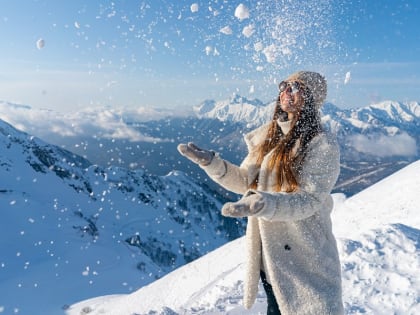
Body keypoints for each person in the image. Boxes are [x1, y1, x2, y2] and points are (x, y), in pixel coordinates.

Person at [177, 71, 344, 315]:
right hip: (271, 260)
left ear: (311, 98)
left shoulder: (322, 144)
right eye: (285, 85)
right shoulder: (269, 135)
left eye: (297, 87)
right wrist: (211, 163)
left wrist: (264, 204)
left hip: (305, 258)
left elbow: (307, 200)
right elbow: (246, 180)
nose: (287, 91)